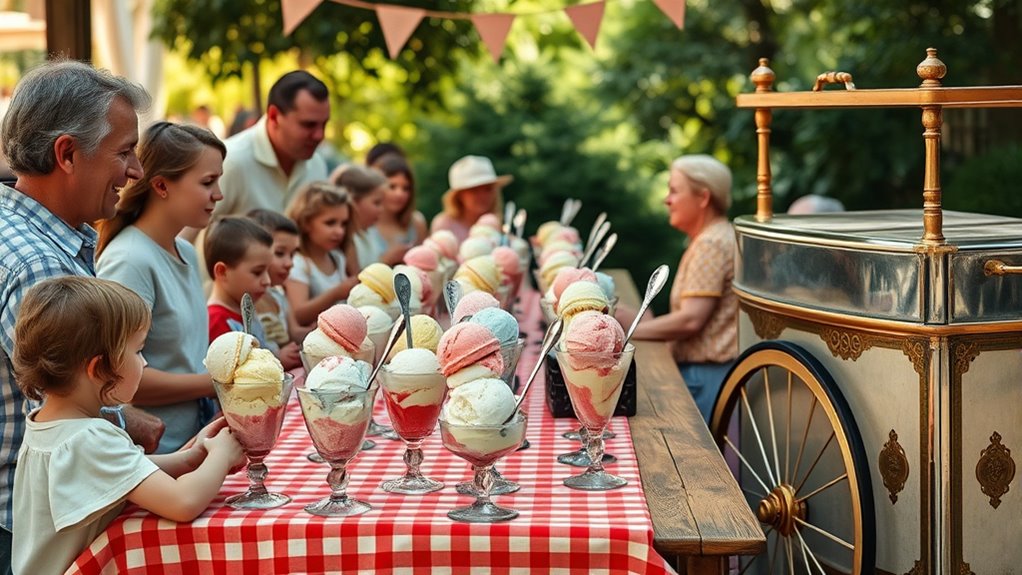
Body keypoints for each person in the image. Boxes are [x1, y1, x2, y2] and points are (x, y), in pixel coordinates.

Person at [0, 59, 165, 571]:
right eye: (123, 152)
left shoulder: (27, 230)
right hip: (28, 528)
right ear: (67, 153)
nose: (136, 170)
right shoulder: (39, 264)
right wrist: (131, 420)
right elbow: (70, 396)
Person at [10, 276, 245, 575]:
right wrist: (222, 457)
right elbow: (183, 503)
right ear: (98, 368)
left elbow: (122, 471)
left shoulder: (48, 424)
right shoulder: (87, 438)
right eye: (138, 351)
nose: (144, 363)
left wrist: (190, 457)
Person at [96, 121, 226, 454]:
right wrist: (220, 383)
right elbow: (119, 379)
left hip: (194, 442)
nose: (219, 194)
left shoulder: (184, 250)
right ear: (162, 186)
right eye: (208, 182)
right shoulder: (130, 259)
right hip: (154, 456)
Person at [615, 155, 738, 422]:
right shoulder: (718, 236)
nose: (666, 200)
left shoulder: (711, 244)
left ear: (703, 197)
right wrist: (639, 320)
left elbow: (691, 320)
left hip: (704, 380)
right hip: (710, 375)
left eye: (674, 191)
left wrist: (628, 332)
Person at [211, 70, 330, 219]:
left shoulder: (316, 166)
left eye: (324, 124)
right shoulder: (230, 162)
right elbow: (187, 236)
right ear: (274, 116)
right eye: (308, 125)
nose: (320, 135)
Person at [284, 181, 359, 325]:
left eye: (343, 223)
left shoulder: (337, 258)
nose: (339, 231)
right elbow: (299, 314)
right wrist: (337, 293)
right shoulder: (298, 263)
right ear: (306, 222)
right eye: (330, 223)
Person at [247, 209, 309, 365]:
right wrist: (277, 357)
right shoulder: (246, 300)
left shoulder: (278, 294)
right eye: (280, 253)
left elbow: (294, 333)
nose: (289, 263)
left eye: (293, 254)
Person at [204, 216, 274, 344]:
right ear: (222, 271)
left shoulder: (246, 310)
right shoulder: (216, 321)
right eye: (257, 272)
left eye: (268, 271)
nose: (267, 281)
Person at [334, 164, 408, 268]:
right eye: (377, 203)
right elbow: (357, 280)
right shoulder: (345, 241)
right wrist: (386, 260)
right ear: (353, 202)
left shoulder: (367, 234)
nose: (382, 209)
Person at [430, 155, 511, 243]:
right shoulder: (444, 225)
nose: (482, 195)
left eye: (488, 189)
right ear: (459, 195)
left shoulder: (496, 223)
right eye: (474, 190)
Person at [372, 153, 428, 250]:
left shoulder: (417, 223)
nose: (399, 194)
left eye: (406, 188)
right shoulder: (365, 227)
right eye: (392, 186)